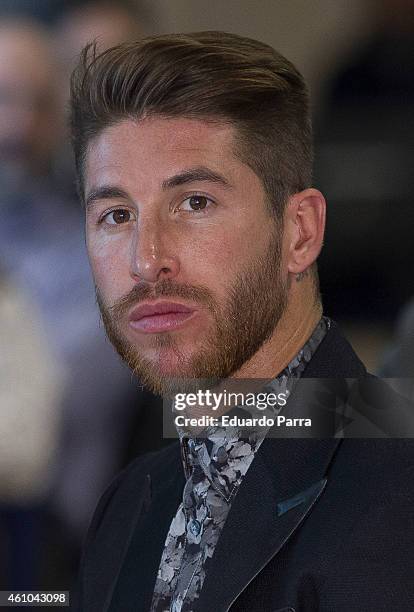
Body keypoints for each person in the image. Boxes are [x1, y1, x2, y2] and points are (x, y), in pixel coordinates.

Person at [69, 32, 414, 611]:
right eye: (116, 214)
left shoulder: (398, 491)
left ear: (299, 232)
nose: (146, 259)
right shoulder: (127, 505)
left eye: (195, 202)